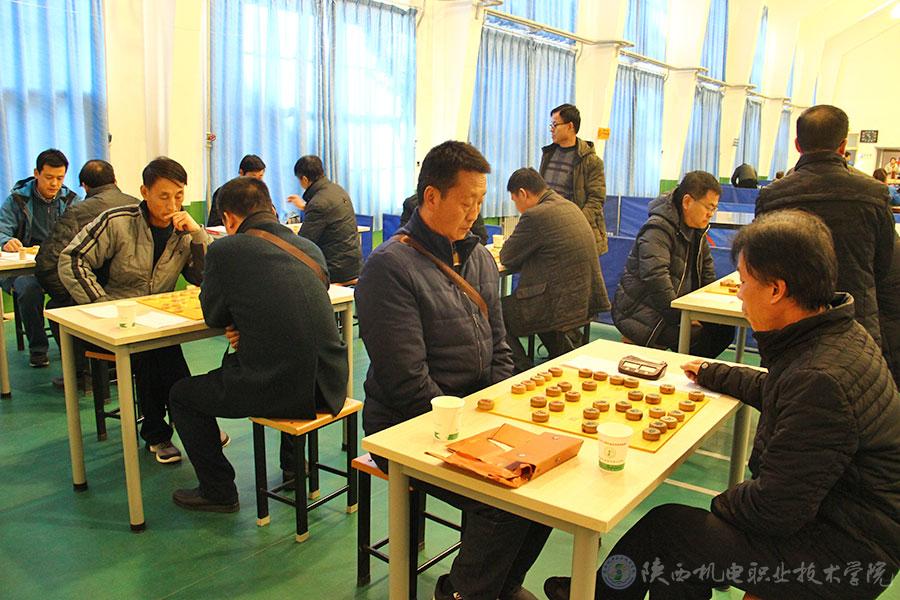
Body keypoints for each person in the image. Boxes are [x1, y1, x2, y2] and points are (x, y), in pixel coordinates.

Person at [545, 210, 900, 600]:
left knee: (669, 529)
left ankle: (598, 593)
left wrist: (719, 505)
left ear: (776, 290)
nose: (739, 293)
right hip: (847, 525)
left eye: (744, 282)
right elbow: (780, 389)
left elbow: (775, 510)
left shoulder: (820, 379)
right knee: (680, 545)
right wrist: (712, 373)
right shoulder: (837, 335)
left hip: (845, 558)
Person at [356, 141, 550, 600]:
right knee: (501, 503)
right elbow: (407, 382)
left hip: (474, 419)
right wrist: (470, 436)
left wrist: (496, 414)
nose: (474, 213)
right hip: (405, 427)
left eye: (480, 202)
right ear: (431, 197)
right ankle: (462, 591)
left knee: (542, 487)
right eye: (466, 202)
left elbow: (500, 346)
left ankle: (497, 586)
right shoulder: (389, 268)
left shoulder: (478, 257)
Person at [169, 177, 348, 512]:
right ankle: (294, 468)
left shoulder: (225, 250)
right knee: (292, 356)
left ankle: (218, 490)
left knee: (182, 395)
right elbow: (301, 308)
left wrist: (241, 324)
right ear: (271, 208)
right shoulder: (309, 248)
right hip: (330, 382)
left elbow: (213, 315)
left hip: (279, 387)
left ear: (228, 219)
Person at [59, 157, 210, 464]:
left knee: (159, 348)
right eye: (164, 196)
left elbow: (204, 277)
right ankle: (185, 427)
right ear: (144, 192)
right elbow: (71, 259)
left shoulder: (183, 230)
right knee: (157, 352)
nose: (172, 204)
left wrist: (198, 235)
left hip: (156, 321)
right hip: (112, 322)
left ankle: (170, 429)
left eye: (179, 196)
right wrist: (103, 305)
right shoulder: (118, 222)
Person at [756, 104, 895, 352]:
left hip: (791, 320)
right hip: (856, 317)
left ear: (797, 145)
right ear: (842, 147)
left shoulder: (772, 196)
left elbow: (761, 262)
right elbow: (884, 263)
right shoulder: (875, 194)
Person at [35, 159, 139, 388]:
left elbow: (47, 262)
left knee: (57, 309)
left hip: (96, 294)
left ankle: (82, 375)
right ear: (115, 180)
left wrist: (69, 297)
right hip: (137, 298)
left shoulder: (77, 211)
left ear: (84, 185)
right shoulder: (137, 205)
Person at [612, 171, 734, 358]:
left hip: (674, 309)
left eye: (715, 208)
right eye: (708, 207)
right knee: (701, 337)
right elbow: (655, 278)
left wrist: (707, 307)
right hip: (645, 313)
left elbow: (707, 273)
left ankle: (691, 368)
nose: (711, 214)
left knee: (724, 329)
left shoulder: (697, 230)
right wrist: (682, 318)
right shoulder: (657, 229)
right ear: (687, 202)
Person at [500, 167, 608, 372]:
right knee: (537, 308)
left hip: (557, 304)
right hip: (583, 298)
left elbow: (507, 256)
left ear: (523, 193)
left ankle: (521, 369)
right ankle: (562, 357)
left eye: (515, 201)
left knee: (494, 312)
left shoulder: (535, 216)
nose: (517, 208)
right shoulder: (570, 206)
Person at [0, 148, 80, 367]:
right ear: (36, 173)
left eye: (60, 178)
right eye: (49, 177)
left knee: (79, 286)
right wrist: (6, 241)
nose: (54, 184)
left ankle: (75, 351)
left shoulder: (72, 200)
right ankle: (38, 349)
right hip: (26, 269)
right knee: (28, 290)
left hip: (58, 266)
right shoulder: (17, 199)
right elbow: (2, 229)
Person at [539, 103, 608, 256]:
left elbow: (596, 200)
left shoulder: (590, 161)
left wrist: (576, 224)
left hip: (577, 234)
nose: (551, 129)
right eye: (551, 125)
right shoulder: (548, 154)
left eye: (555, 125)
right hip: (549, 229)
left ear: (570, 126)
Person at [286, 155, 362, 284]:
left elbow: (305, 241)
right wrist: (305, 207)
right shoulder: (337, 190)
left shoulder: (318, 203)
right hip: (354, 264)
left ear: (304, 179)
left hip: (334, 269)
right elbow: (328, 211)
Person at [400, 191, 489, 244]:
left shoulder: (471, 206)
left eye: (479, 202)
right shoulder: (412, 204)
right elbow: (404, 239)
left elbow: (481, 237)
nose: (473, 216)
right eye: (465, 204)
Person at [206, 154, 265, 227]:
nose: (258, 181)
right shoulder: (224, 193)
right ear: (241, 173)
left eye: (261, 176)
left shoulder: (262, 193)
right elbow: (214, 224)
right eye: (254, 177)